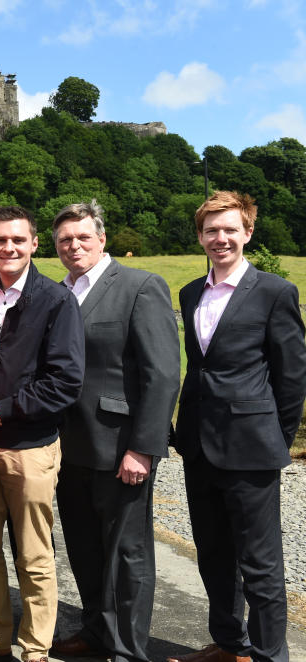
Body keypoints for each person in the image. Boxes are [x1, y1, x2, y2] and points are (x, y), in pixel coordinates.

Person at [168, 191, 306, 662]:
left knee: (261, 566)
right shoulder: (189, 293)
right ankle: (230, 646)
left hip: (251, 449)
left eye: (230, 229)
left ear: (248, 232)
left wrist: (274, 439)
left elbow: (291, 379)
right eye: (211, 230)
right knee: (212, 554)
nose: (220, 238)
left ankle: (270, 655)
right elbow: (200, 369)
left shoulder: (275, 292)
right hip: (198, 446)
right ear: (200, 236)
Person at [50, 201, 180, 662]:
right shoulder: (57, 292)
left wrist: (144, 448)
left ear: (101, 239)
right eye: (65, 239)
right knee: (84, 549)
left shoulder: (140, 286)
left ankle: (128, 649)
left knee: (127, 555)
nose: (74, 246)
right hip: (67, 447)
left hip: (119, 446)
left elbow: (163, 373)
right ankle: (96, 632)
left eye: (83, 237)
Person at [0, 206, 84, 662]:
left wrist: (5, 409)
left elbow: (65, 381)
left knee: (34, 555)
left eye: (18, 240)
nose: (8, 248)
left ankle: (35, 648)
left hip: (29, 447)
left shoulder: (56, 300)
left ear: (34, 244)